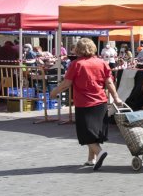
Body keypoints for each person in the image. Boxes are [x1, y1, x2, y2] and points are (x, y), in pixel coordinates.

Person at [49, 38, 120, 170]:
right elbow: (109, 82)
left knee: (86, 133)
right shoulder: (102, 63)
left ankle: (100, 152)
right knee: (95, 131)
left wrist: (55, 91)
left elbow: (67, 83)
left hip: (84, 103)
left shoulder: (76, 64)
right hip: (101, 102)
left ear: (78, 50)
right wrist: (116, 98)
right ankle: (91, 159)